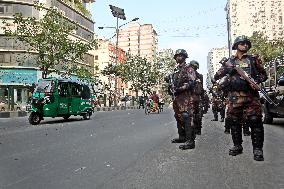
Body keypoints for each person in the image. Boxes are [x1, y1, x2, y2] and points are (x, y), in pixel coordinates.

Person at [212, 35, 268, 161]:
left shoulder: (253, 59)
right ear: (236, 46)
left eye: (247, 43)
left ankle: (257, 149)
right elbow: (217, 75)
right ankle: (237, 146)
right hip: (234, 97)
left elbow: (263, 75)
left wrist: (255, 81)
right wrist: (226, 70)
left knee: (255, 120)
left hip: (251, 96)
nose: (245, 45)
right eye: (242, 43)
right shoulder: (230, 62)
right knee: (234, 121)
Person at [165, 49, 197, 150]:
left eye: (181, 55)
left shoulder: (189, 68)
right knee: (178, 116)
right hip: (177, 97)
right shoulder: (175, 71)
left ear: (185, 57)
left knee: (187, 117)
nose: (179, 57)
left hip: (186, 96)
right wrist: (170, 87)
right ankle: (182, 137)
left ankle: (190, 141)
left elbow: (192, 82)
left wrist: (180, 88)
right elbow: (171, 84)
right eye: (177, 56)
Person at [188, 60, 204, 135]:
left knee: (194, 114)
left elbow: (201, 88)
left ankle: (195, 130)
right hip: (196, 97)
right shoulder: (199, 76)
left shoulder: (189, 75)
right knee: (196, 114)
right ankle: (197, 130)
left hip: (193, 97)